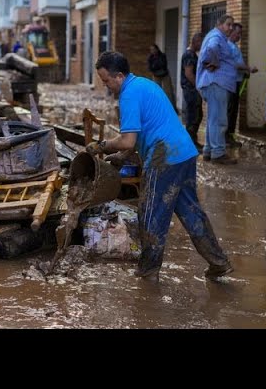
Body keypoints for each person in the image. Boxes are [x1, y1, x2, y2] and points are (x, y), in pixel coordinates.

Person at [86, 51, 233, 281]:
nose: (107, 86)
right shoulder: (144, 84)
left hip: (164, 157)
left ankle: (148, 272)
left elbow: (127, 140)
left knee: (150, 214)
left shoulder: (128, 96)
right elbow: (143, 132)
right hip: (184, 153)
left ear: (120, 76)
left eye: (106, 81)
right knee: (191, 211)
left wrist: (102, 146)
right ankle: (219, 262)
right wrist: (122, 157)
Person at [196, 14, 238, 164]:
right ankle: (218, 153)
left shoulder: (216, 36)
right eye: (228, 24)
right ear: (219, 24)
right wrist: (213, 62)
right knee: (219, 120)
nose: (231, 28)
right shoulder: (216, 37)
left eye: (232, 25)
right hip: (216, 84)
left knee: (212, 119)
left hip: (214, 84)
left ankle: (209, 150)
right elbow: (212, 48)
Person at [226, 23, 258, 147]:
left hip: (237, 81)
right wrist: (248, 68)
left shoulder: (234, 46)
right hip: (231, 83)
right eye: (238, 33)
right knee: (230, 110)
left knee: (233, 111)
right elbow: (234, 64)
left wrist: (245, 72)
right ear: (231, 32)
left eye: (241, 33)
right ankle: (227, 138)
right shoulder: (228, 46)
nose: (239, 36)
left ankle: (230, 136)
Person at [181, 32, 204, 151]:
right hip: (191, 90)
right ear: (195, 42)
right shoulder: (189, 55)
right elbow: (189, 73)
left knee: (197, 115)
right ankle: (190, 144)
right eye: (201, 42)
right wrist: (198, 87)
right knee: (193, 117)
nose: (202, 46)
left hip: (191, 90)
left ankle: (192, 141)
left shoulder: (192, 54)